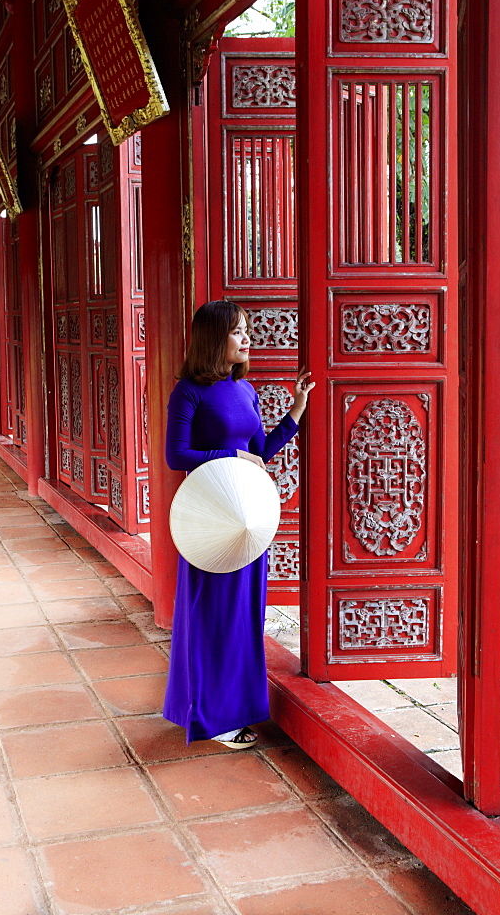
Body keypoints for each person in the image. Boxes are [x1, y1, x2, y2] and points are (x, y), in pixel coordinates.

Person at [163, 299, 314, 749]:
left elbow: (261, 451)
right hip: (211, 518)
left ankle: (235, 708)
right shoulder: (188, 392)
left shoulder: (245, 391)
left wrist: (296, 411)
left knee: (245, 616)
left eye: (246, 330)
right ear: (214, 339)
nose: (247, 338)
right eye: (237, 331)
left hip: (248, 520)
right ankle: (212, 716)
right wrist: (228, 456)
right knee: (212, 617)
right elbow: (177, 455)